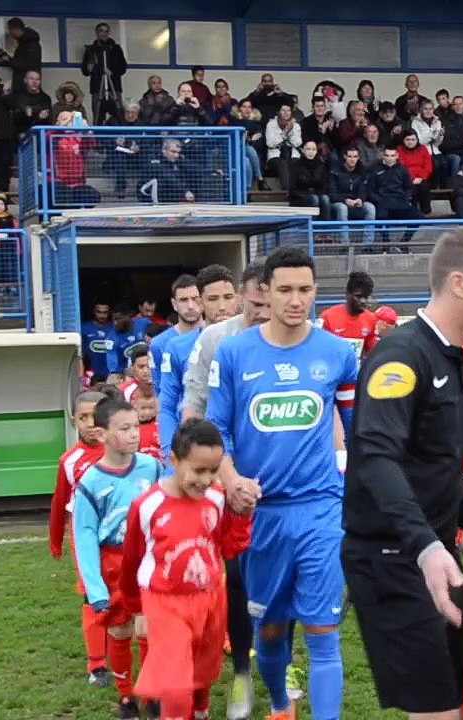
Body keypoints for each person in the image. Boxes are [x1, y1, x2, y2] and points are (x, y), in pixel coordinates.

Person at [343, 228, 463, 720]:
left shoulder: (455, 356)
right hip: (396, 559)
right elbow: (375, 457)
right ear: (458, 283)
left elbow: (434, 469)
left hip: (433, 555)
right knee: (439, 710)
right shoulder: (402, 356)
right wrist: (427, 547)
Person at [206, 246, 355, 720]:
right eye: (286, 289)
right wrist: (231, 481)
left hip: (321, 509)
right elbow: (218, 431)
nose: (296, 300)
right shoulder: (232, 354)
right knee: (269, 635)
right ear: (264, 292)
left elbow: (357, 428)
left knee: (323, 634)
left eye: (305, 290)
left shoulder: (338, 354)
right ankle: (277, 703)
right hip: (260, 516)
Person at [177, 261, 271, 720]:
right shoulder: (217, 340)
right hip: (226, 475)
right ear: (245, 297)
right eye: (254, 303)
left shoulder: (302, 337)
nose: (261, 311)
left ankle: (280, 666)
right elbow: (192, 406)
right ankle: (239, 674)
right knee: (232, 576)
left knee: (275, 579)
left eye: (264, 304)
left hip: (280, 478)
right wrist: (198, 470)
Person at [121, 419, 254, 720]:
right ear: (174, 460)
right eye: (198, 470)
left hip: (210, 600)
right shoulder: (148, 506)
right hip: (165, 603)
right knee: (175, 686)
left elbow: (231, 547)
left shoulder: (218, 501)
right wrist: (136, 610)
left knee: (201, 673)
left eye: (213, 470)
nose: (206, 480)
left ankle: (201, 711)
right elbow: (131, 560)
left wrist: (244, 515)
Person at [72, 396, 162, 718]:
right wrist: (95, 590)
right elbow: (83, 537)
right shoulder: (90, 482)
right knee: (120, 631)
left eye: (136, 426)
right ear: (102, 434)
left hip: (145, 562)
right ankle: (126, 696)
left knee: (147, 628)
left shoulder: (152, 467)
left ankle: (151, 691)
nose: (135, 434)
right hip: (112, 565)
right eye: (125, 428)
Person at [48, 390, 110, 687]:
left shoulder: (126, 454)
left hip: (121, 538)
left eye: (95, 416)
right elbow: (60, 502)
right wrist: (56, 539)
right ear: (74, 421)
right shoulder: (69, 461)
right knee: (92, 595)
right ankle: (96, 664)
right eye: (83, 417)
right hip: (86, 539)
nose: (89, 423)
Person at [158, 264, 237, 463]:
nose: (222, 306)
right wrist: (170, 452)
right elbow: (166, 405)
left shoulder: (251, 341)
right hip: (197, 446)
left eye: (228, 297)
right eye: (213, 299)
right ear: (201, 302)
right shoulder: (177, 347)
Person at [316, 271, 378, 437]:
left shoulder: (370, 320)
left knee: (353, 430)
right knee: (323, 430)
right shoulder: (328, 318)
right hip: (327, 382)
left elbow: (373, 351)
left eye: (367, 297)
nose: (363, 301)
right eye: (358, 296)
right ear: (347, 294)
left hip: (350, 383)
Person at [149, 275, 203, 387]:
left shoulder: (217, 335)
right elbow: (159, 390)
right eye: (183, 300)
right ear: (174, 304)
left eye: (195, 299)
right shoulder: (158, 344)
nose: (190, 306)